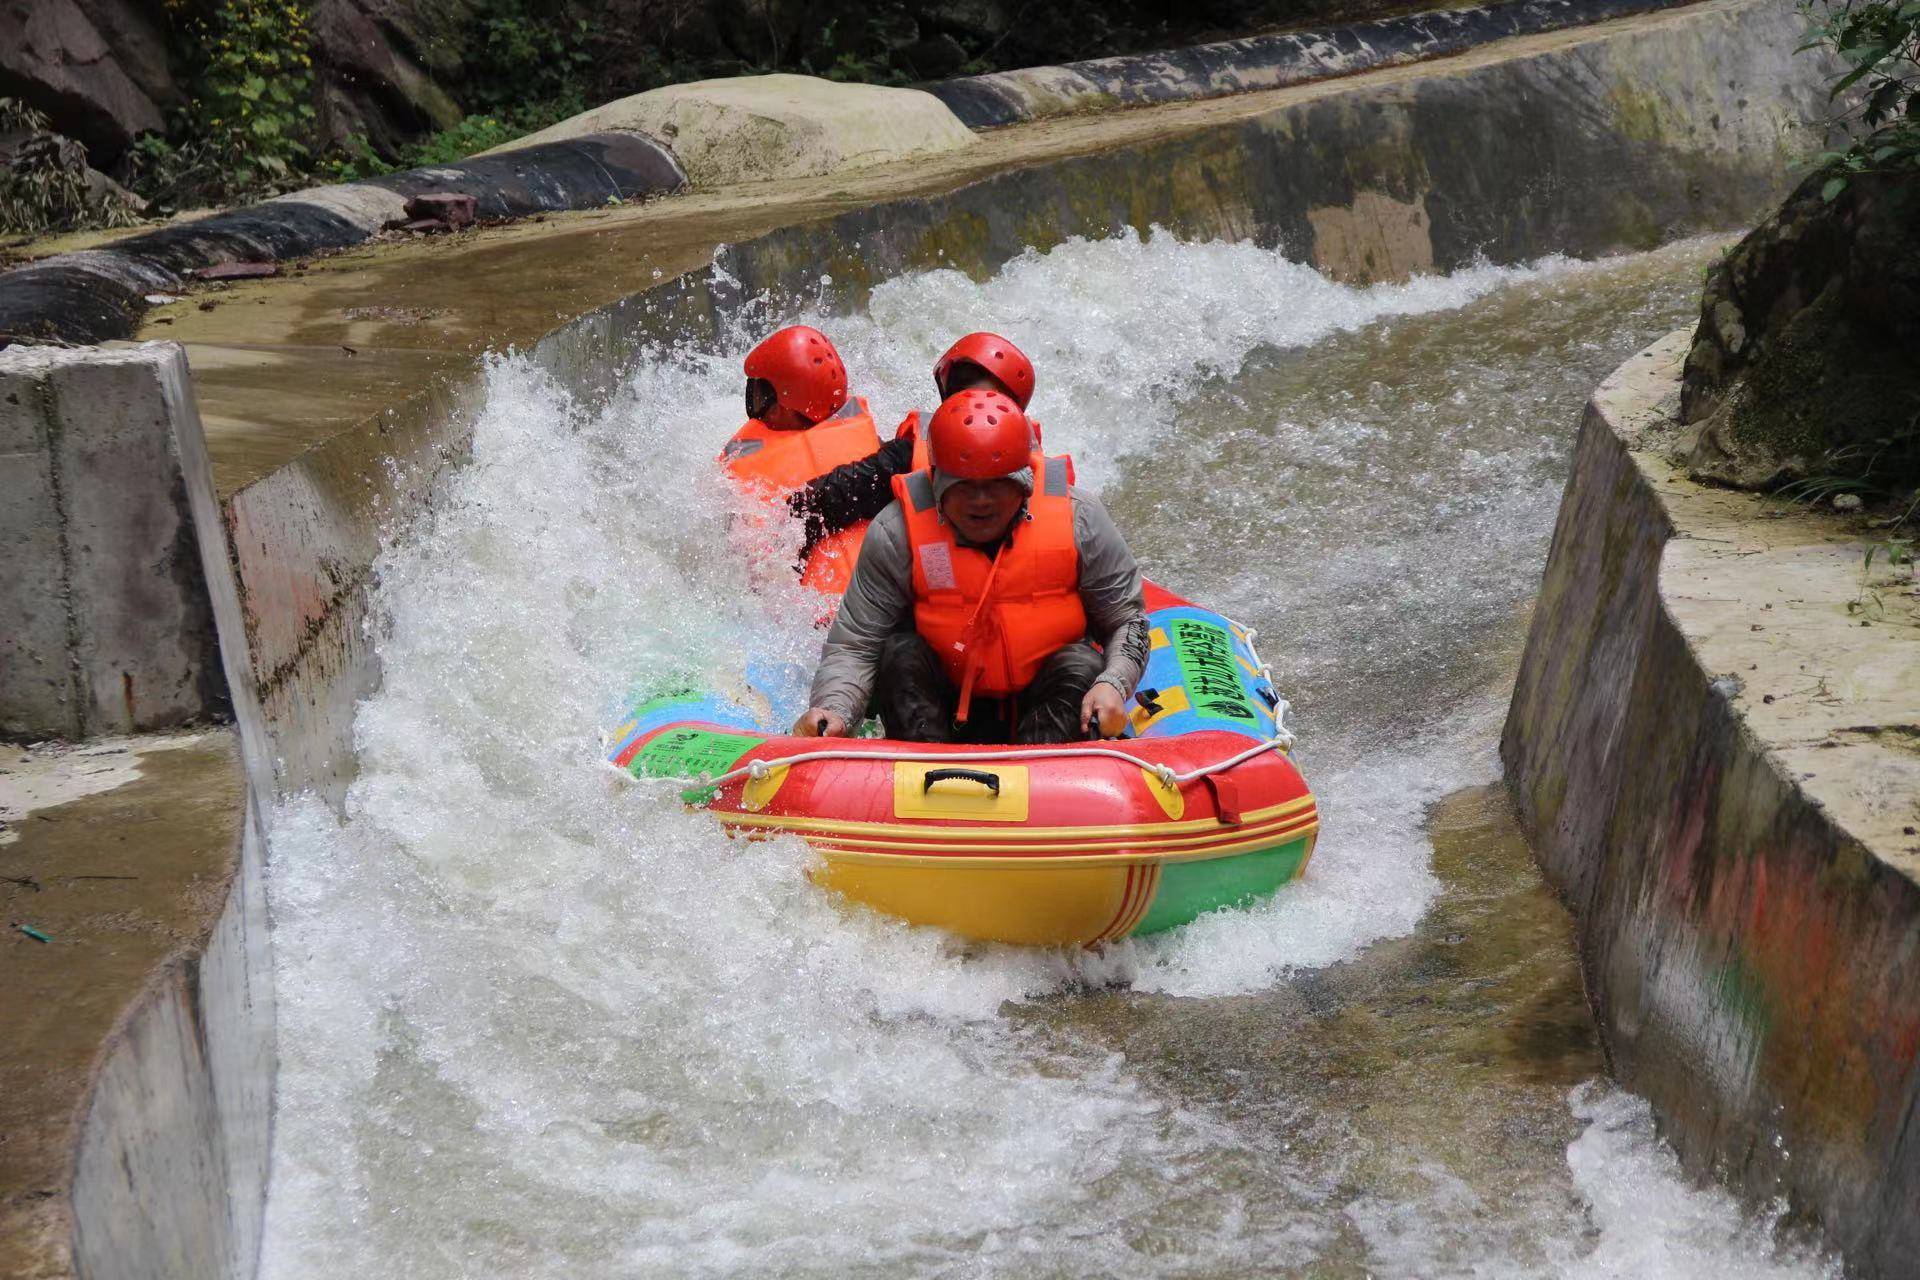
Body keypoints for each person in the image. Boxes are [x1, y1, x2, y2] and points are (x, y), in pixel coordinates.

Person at [792, 388, 1150, 745]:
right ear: (937, 483)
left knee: (1082, 665)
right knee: (900, 654)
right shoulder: (896, 531)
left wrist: (1112, 683)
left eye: (997, 483)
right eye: (965, 484)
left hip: (1046, 703)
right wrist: (834, 709)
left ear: (1024, 483)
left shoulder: (1080, 518)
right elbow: (856, 644)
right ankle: (917, 770)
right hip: (941, 709)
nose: (981, 500)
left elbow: (1127, 620)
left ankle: (1048, 771)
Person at [786, 332, 1042, 562]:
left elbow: (811, 504)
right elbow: (819, 503)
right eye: (969, 401)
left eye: (989, 403)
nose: (979, 416)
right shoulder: (907, 458)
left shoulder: (1057, 495)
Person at [719, 325, 883, 593]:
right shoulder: (877, 444)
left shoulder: (743, 469)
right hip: (890, 602)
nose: (756, 410)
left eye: (759, 398)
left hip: (818, 621)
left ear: (784, 407)